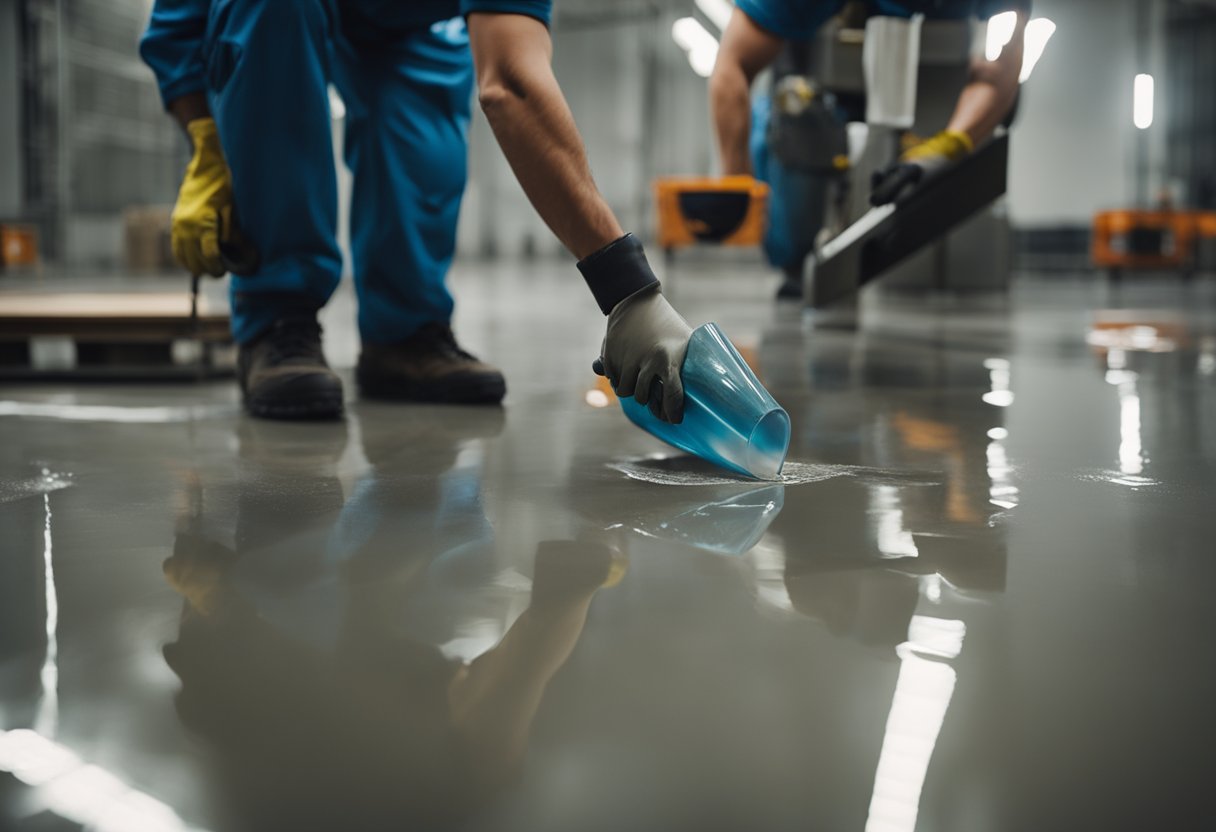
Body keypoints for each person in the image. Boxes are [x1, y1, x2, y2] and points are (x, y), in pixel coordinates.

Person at [141, 1, 690, 423]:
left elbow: (509, 69)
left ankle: (404, 333)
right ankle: (276, 320)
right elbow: (512, 89)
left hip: (404, 17)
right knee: (272, 19)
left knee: (422, 106)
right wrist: (207, 141)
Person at [710, 0, 1029, 219]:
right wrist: (736, 187)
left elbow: (1000, 70)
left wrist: (944, 149)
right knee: (797, 127)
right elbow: (732, 64)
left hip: (935, 65)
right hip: (817, 63)